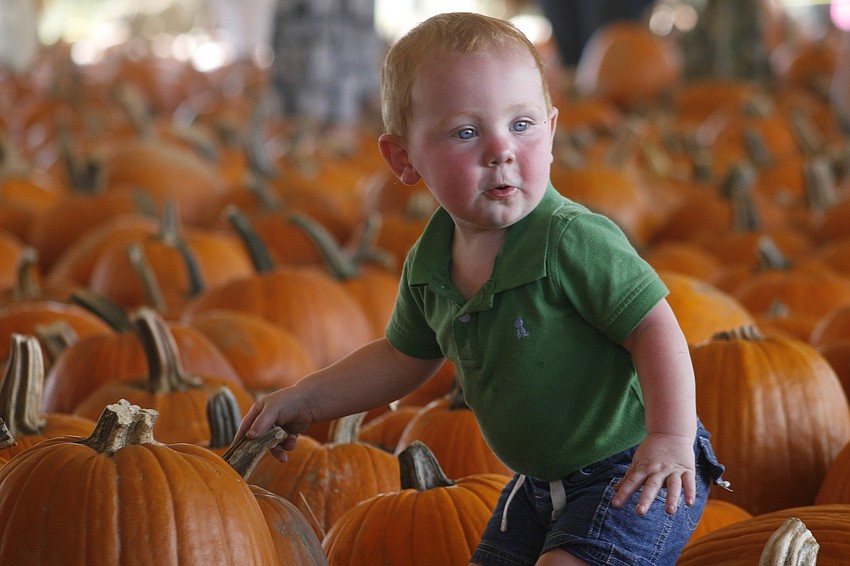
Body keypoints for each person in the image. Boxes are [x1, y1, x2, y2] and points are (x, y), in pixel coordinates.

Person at [237, 11, 728, 566]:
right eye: (466, 132)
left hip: (634, 468)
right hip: (538, 484)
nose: (501, 149)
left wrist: (668, 437)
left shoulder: (569, 239)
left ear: (551, 130)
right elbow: (402, 358)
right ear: (403, 159)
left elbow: (654, 327)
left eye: (521, 124)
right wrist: (307, 396)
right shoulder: (430, 261)